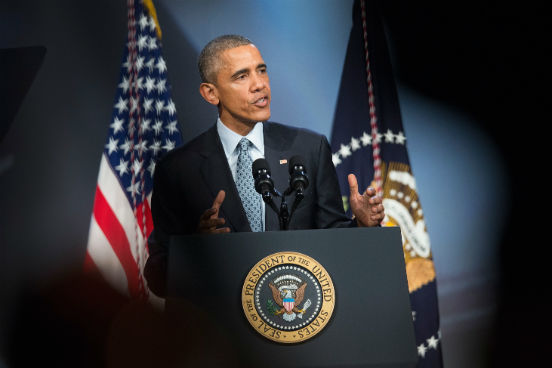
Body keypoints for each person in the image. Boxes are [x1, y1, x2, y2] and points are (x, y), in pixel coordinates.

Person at [144, 35, 385, 297]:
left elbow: (332, 241)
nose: (259, 85)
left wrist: (361, 227)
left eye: (261, 70)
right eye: (241, 76)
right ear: (211, 93)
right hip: (221, 329)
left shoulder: (309, 148)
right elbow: (157, 276)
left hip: (298, 317)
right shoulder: (178, 169)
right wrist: (196, 250)